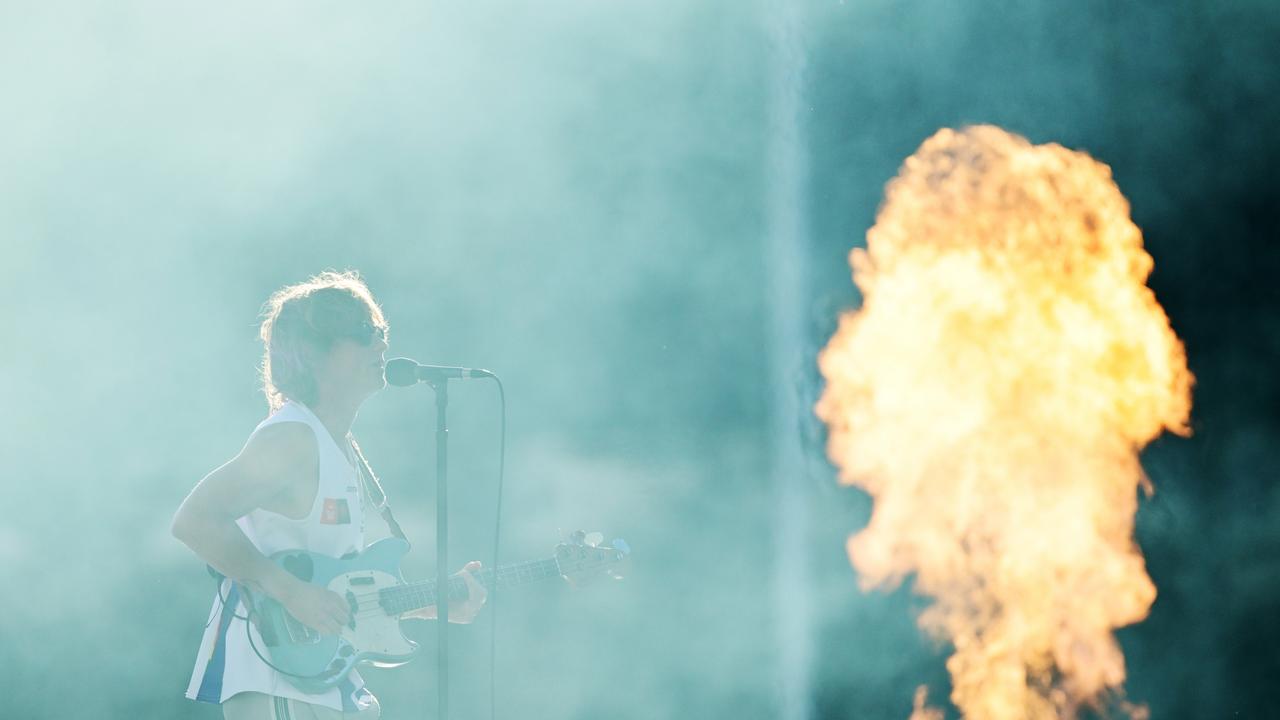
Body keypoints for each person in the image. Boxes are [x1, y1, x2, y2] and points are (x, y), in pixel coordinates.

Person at [172, 270, 486, 719]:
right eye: (362, 333)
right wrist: (290, 591)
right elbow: (194, 520)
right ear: (314, 353)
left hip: (323, 679)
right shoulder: (293, 438)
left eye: (381, 331)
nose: (380, 345)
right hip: (276, 673)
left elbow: (339, 593)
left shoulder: (338, 445)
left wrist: (435, 605)